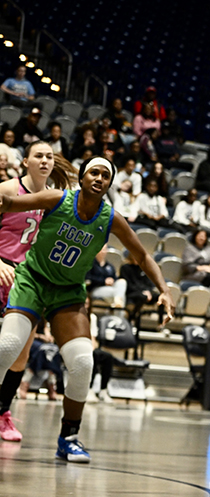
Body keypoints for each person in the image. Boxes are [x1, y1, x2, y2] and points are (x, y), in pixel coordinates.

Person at [0, 156, 175, 461]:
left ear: (109, 184)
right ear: (81, 177)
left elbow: (143, 256)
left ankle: (69, 437)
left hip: (68, 292)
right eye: (94, 172)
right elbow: (11, 203)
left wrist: (164, 290)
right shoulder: (58, 198)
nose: (99, 178)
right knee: (8, 346)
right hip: (33, 279)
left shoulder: (110, 218)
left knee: (82, 363)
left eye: (105, 175)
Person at [0, 143, 73, 442]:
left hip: (29, 280)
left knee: (20, 355)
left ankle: (3, 413)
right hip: (2, 268)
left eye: (49, 157)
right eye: (39, 155)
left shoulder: (57, 200)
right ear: (25, 160)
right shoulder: (7, 188)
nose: (44, 160)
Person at [85, 244, 127, 309]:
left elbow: (115, 278)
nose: (103, 251)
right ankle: (119, 312)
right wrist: (104, 281)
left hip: (111, 288)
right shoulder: (90, 264)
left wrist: (112, 281)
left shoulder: (110, 266)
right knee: (119, 294)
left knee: (122, 282)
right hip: (95, 289)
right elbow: (88, 279)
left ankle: (117, 308)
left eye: (104, 249)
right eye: (101, 249)